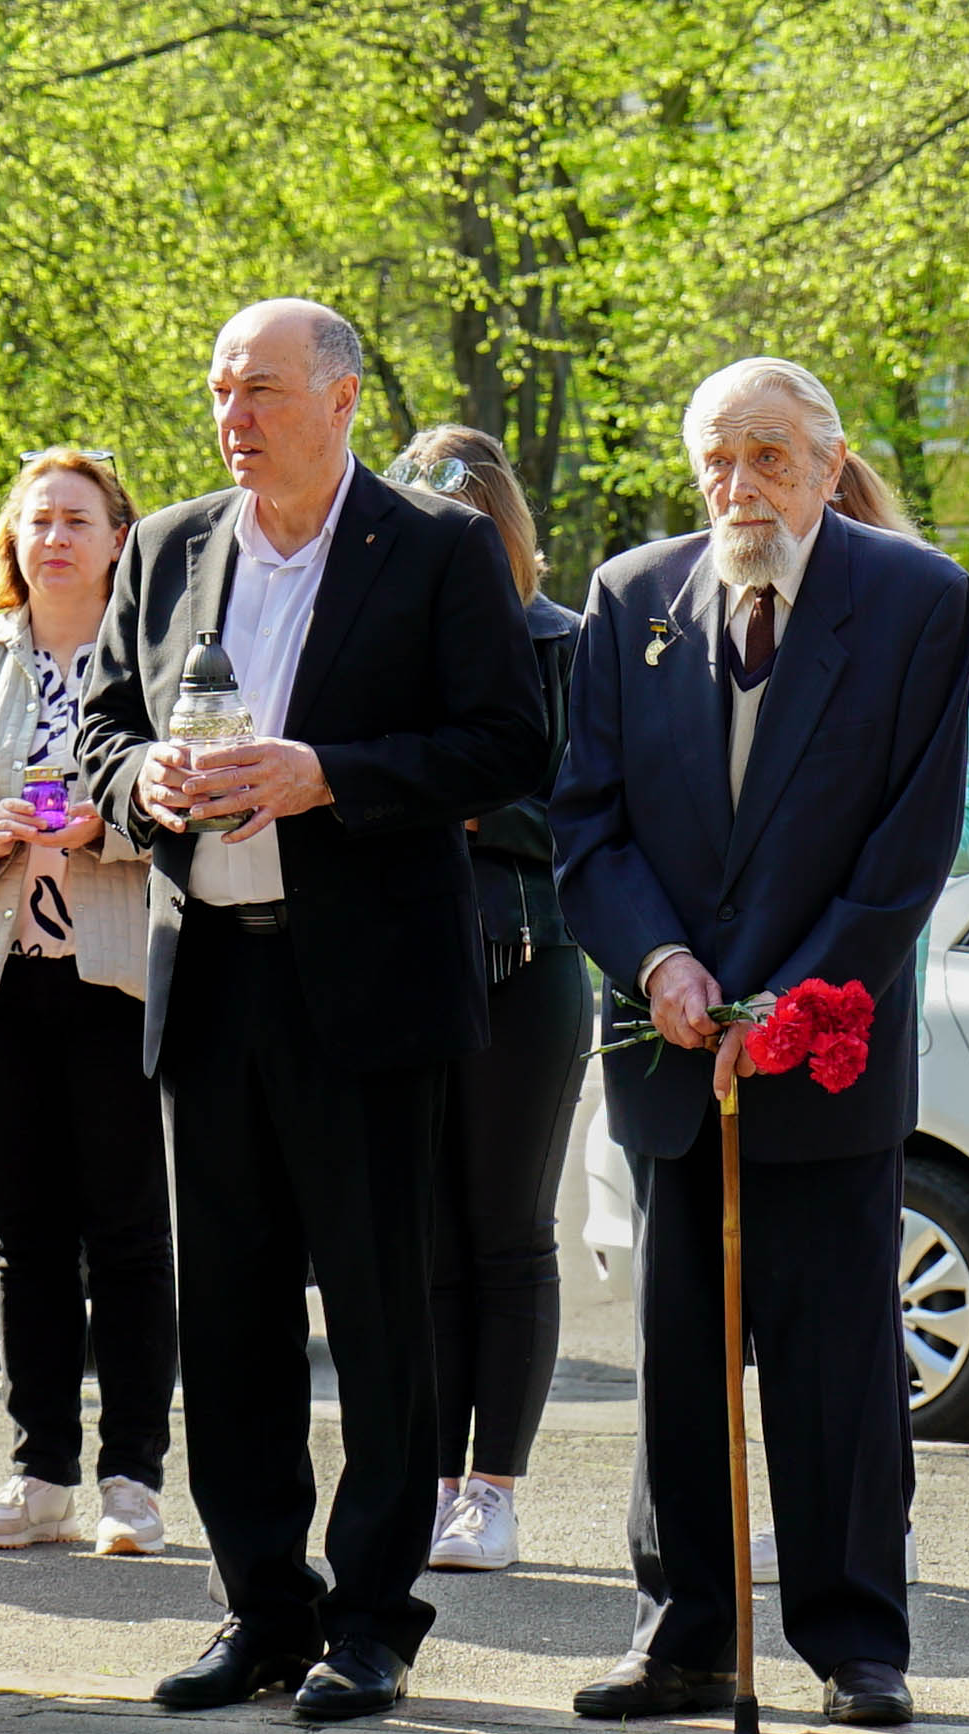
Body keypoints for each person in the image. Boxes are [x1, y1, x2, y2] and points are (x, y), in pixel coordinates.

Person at [79, 300, 547, 1722]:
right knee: (223, 1317)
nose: (237, 415)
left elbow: (511, 740)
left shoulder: (438, 548)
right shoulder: (165, 548)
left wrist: (327, 772)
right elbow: (101, 728)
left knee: (384, 1312)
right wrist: (142, 786)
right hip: (210, 970)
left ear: (342, 400)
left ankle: (371, 1619)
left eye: (265, 390)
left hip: (364, 984)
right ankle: (257, 1609)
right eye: (223, 390)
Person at [552, 356, 969, 1729]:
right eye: (718, 463)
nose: (742, 488)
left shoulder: (917, 600)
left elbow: (906, 850)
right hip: (673, 1053)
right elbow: (590, 824)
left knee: (838, 1359)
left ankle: (858, 1639)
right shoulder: (630, 599)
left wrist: (791, 1003)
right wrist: (665, 966)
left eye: (770, 459)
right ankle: (678, 1629)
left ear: (827, 459)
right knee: (677, 1352)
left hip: (832, 1046)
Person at [0, 447, 174, 1559]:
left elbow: (194, 805)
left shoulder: (158, 661)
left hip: (114, 972)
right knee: (24, 1237)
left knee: (126, 1231)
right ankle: (40, 1474)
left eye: (78, 519)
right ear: (10, 543)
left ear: (121, 539)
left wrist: (103, 832)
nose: (54, 537)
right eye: (36, 521)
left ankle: (134, 1482)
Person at [748, 446, 969, 1592]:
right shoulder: (674, 612)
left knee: (844, 1310)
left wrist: (815, 945)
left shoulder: (919, 618)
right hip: (710, 1016)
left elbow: (967, 822)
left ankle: (856, 1551)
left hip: (853, 998)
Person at [380, 425, 587, 1576]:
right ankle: (439, 1479)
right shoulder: (393, 652)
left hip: (528, 957)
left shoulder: (567, 644)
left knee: (506, 1228)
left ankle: (495, 1483)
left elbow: (589, 811)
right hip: (406, 958)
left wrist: (460, 803)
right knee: (420, 1238)